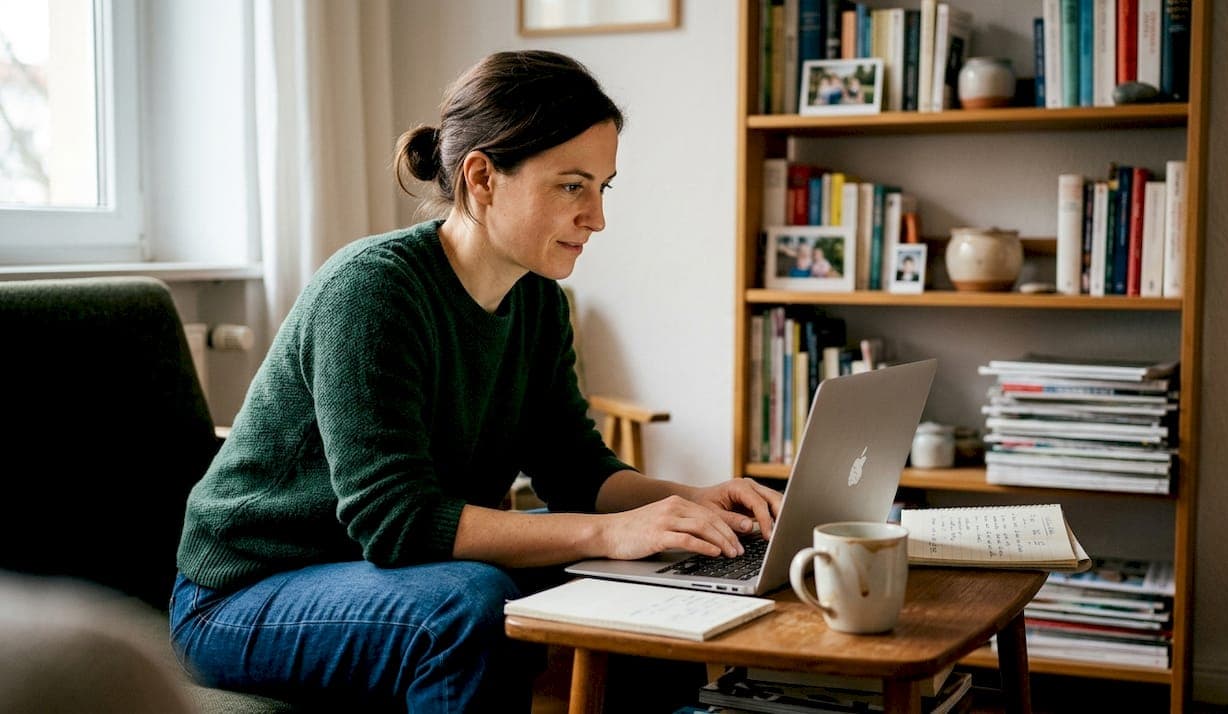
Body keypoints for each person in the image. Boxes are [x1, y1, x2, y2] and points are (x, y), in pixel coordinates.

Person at [169, 50, 782, 712]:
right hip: (243, 595)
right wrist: (611, 531)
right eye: (571, 186)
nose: (596, 217)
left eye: (602, 188)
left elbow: (576, 470)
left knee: (653, 564)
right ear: (483, 178)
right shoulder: (372, 291)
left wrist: (694, 503)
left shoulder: (537, 301)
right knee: (469, 603)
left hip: (388, 572)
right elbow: (397, 523)